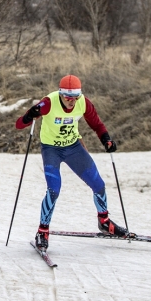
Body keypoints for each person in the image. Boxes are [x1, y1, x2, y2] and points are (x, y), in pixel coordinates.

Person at [16, 74, 127, 250]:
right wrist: (31, 114)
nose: (72, 101)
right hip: (51, 149)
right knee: (54, 190)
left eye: (75, 97)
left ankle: (104, 222)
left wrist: (106, 140)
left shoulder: (83, 102)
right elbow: (19, 124)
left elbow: (97, 125)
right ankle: (42, 231)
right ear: (60, 94)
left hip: (73, 147)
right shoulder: (49, 102)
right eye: (68, 98)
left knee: (98, 184)